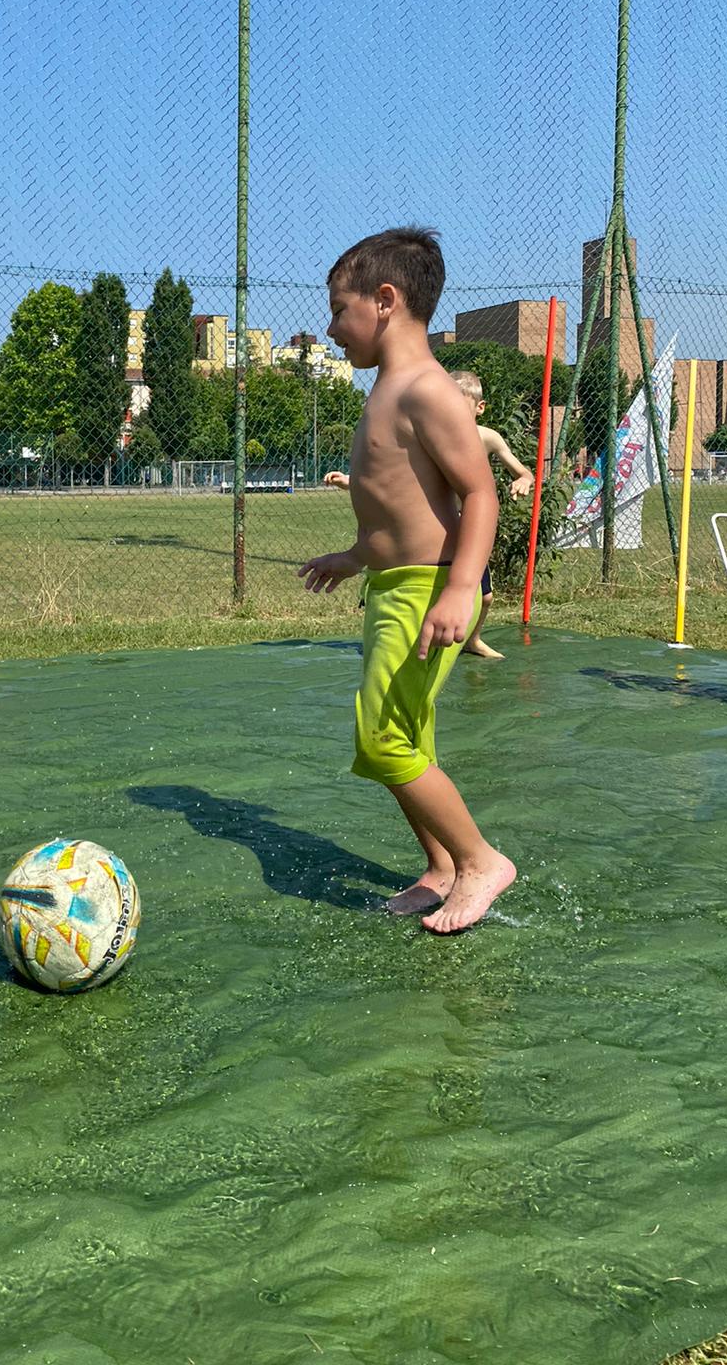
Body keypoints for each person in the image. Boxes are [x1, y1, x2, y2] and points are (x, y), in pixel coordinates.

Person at [299, 227, 516, 934]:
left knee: (383, 738)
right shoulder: (387, 389)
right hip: (395, 586)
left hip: (431, 590)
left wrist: (461, 588)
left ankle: (480, 861)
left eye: (340, 310)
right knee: (405, 734)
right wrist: (354, 555)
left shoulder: (427, 390)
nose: (332, 328)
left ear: (385, 300)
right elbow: (399, 509)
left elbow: (479, 495)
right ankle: (442, 866)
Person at [323, 368, 534, 660]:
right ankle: (391, 632)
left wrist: (523, 479)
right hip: (433, 525)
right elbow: (397, 479)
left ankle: (472, 639)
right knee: (419, 585)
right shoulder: (430, 436)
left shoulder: (487, 437)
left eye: (460, 406)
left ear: (480, 408)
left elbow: (523, 471)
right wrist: (351, 482)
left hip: (467, 526)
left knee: (485, 596)